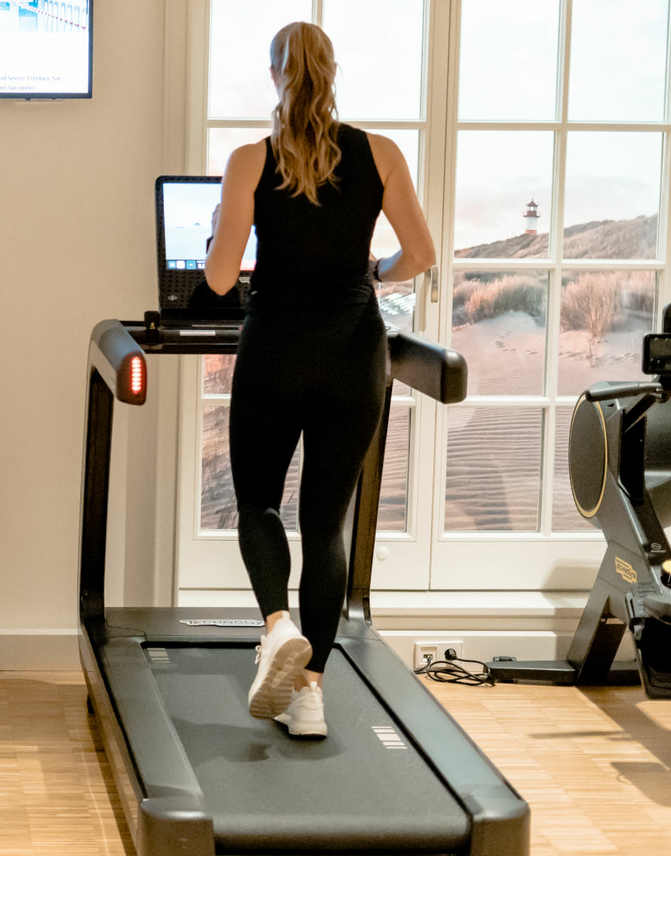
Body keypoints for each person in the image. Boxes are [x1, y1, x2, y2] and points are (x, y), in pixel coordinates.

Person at [205, 21, 435, 739]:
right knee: (324, 525)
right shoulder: (382, 152)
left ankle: (277, 625)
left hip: (275, 348)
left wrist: (222, 219)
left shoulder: (250, 160)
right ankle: (311, 695)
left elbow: (218, 278)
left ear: (275, 75)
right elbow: (418, 255)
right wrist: (371, 271)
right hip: (352, 354)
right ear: (332, 72)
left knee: (258, 507)